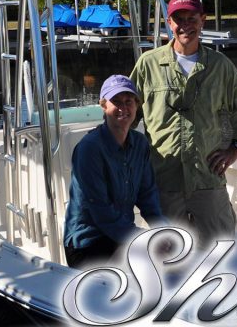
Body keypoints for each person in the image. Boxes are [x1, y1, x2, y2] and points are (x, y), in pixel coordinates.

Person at [130, 0, 237, 244]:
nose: (185, 25)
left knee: (221, 248)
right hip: (164, 181)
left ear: (203, 20)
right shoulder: (147, 64)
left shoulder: (220, 66)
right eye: (179, 19)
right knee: (166, 254)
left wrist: (235, 147)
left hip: (207, 177)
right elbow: (128, 114)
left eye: (192, 18)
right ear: (169, 22)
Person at [63, 74, 167, 269]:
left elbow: (148, 196)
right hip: (88, 243)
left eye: (129, 102)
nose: (123, 108)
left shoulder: (140, 144)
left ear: (137, 106)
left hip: (121, 236)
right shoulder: (89, 149)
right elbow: (100, 210)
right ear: (103, 106)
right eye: (116, 102)